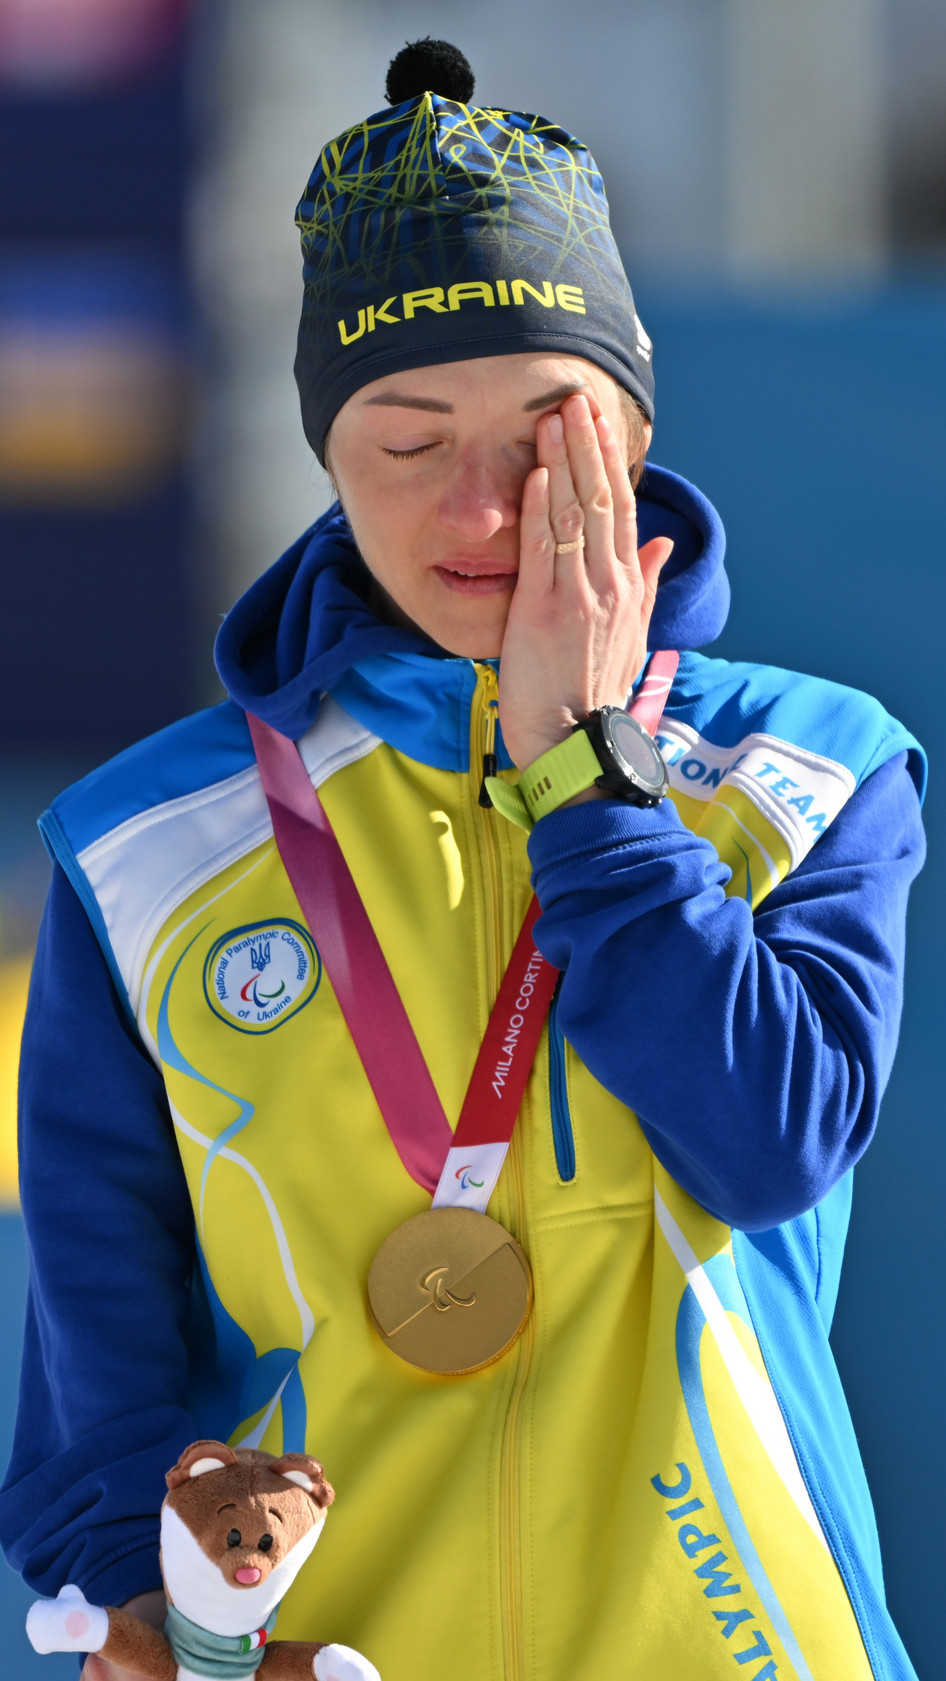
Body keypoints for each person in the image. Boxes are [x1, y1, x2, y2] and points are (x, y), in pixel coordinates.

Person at [0, 38, 927, 1681]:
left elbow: (772, 1139)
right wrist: (142, 1613)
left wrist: (586, 777)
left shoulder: (809, 769)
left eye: (545, 437)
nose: (484, 511)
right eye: (406, 443)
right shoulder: (146, 848)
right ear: (323, 458)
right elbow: (95, 1357)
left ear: (631, 431)